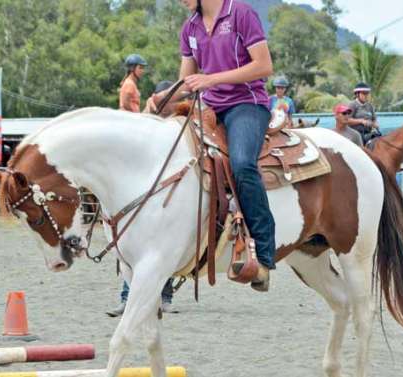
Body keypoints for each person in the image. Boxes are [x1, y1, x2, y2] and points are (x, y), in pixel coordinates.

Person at [150, 0, 276, 291]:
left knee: (243, 164)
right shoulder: (190, 27)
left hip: (246, 105)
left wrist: (211, 79)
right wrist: (162, 99)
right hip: (209, 107)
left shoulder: (241, 13)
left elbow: (263, 65)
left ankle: (264, 256)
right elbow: (186, 80)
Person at [107, 75, 178, 317]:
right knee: (132, 253)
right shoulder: (148, 124)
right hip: (145, 197)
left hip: (169, 198)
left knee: (161, 252)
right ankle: (128, 299)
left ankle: (164, 296)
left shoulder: (179, 125)